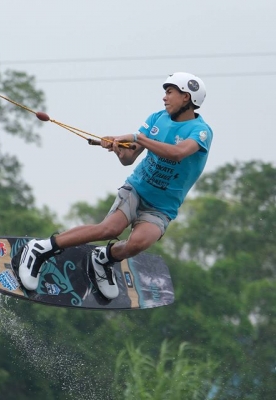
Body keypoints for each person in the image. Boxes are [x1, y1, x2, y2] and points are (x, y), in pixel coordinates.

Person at [14, 72, 213, 300]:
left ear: (186, 97)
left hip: (162, 207)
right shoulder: (157, 118)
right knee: (110, 229)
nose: (164, 98)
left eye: (169, 93)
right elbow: (129, 159)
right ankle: (41, 248)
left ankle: (102, 258)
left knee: (138, 244)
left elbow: (177, 154)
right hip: (137, 189)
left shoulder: (201, 131)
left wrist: (137, 138)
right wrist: (121, 149)